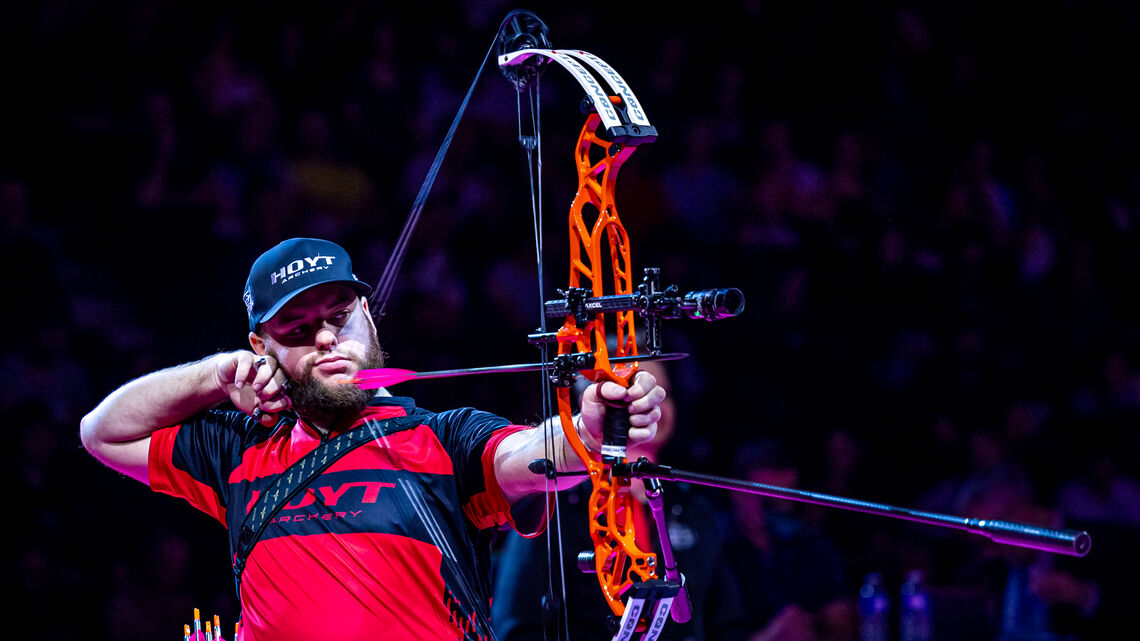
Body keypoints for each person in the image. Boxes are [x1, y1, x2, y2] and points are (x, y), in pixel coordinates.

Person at [80, 237, 666, 641]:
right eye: (299, 329)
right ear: (263, 346)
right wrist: (214, 375)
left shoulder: (443, 438)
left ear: (369, 313)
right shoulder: (239, 450)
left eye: (339, 315)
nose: (328, 339)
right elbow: (102, 433)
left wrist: (592, 427)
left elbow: (536, 455)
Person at [490, 360, 749, 641]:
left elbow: (727, 623)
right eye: (636, 395)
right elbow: (516, 625)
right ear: (597, 403)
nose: (652, 407)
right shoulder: (557, 505)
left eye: (662, 394)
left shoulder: (694, 509)